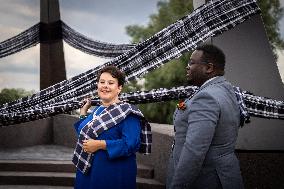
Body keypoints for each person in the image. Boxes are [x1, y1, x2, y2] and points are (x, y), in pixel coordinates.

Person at [167, 44, 244, 189]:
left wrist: (177, 186)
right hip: (224, 176)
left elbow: (194, 149)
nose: (187, 67)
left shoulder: (206, 97)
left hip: (205, 179)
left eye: (192, 62)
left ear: (208, 68)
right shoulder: (226, 89)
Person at [72, 66, 151, 189]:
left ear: (119, 88)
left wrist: (101, 144)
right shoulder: (97, 110)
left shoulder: (128, 113)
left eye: (111, 83)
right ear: (97, 85)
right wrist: (83, 113)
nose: (105, 86)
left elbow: (132, 144)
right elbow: (86, 135)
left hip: (112, 175)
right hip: (87, 172)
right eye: (102, 82)